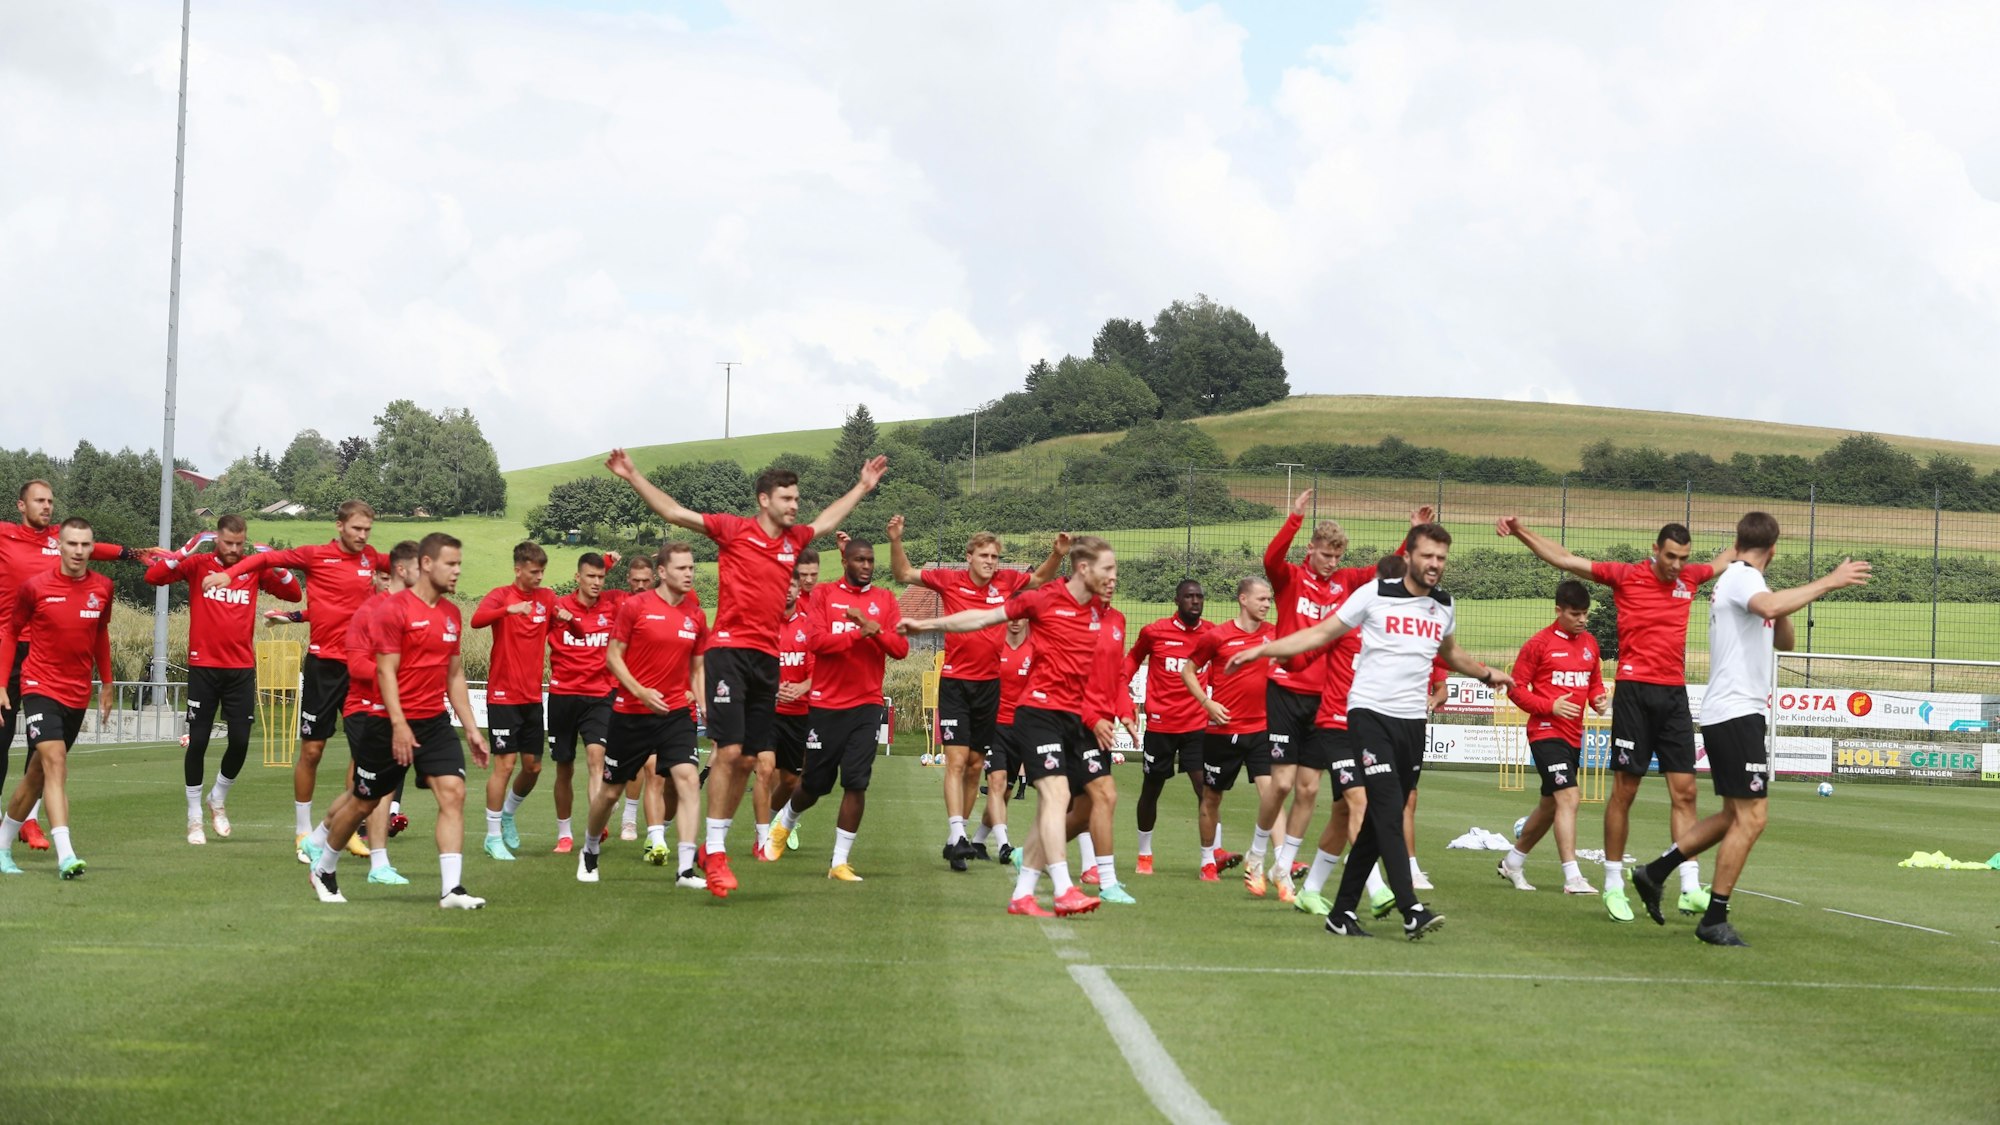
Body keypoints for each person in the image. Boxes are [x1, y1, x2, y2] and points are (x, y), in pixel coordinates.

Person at [607, 448, 885, 897]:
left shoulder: (795, 540)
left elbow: (829, 520)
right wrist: (633, 475)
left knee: (752, 759)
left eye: (797, 499)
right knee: (730, 749)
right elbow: (674, 512)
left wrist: (862, 487)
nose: (795, 505)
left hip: (766, 658)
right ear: (763, 500)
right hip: (729, 653)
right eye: (787, 498)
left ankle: (711, 848)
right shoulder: (733, 530)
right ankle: (715, 852)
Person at [1229, 523, 1514, 940]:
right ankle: (1410, 907)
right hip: (1368, 718)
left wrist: (1488, 673)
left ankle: (1340, 913)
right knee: (1384, 811)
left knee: (1379, 820)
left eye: (1441, 558)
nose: (1435, 564)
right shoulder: (1373, 594)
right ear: (1410, 557)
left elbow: (1450, 653)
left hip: (1412, 725)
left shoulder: (1444, 605)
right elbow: (1319, 634)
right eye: (1428, 556)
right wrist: (1262, 649)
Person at [1630, 514, 1868, 945]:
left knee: (1731, 816)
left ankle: (1654, 872)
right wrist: (1828, 581)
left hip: (1737, 712)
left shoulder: (1750, 582)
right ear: (1773, 550)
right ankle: (1713, 918)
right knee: (1754, 818)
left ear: (1737, 541)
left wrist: (1781, 601)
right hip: (1736, 712)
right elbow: (1769, 609)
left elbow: (1784, 641)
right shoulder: (1741, 578)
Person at [1495, 515, 1734, 923]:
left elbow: (1730, 557)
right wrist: (1520, 531)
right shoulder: (1626, 576)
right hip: (1635, 693)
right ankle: (1612, 883)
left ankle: (1689, 886)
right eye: (1671, 556)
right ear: (1656, 550)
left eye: (1684, 558)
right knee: (1625, 790)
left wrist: (1754, 535)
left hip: (1674, 694)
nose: (1677, 565)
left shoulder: (1690, 579)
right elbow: (1567, 560)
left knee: (1687, 792)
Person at [902, 536, 1115, 918]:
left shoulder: (1102, 610)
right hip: (1038, 713)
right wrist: (926, 624)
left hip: (1074, 717)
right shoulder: (1044, 599)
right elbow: (981, 617)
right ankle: (1065, 887)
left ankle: (1023, 893)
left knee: (1078, 804)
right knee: (1056, 795)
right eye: (1108, 569)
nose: (1114, 577)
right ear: (1085, 570)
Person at [307, 533, 490, 908]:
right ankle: (324, 868)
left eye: (459, 563)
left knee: (453, 793)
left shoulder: (452, 614)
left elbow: (453, 675)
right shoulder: (393, 610)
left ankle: (451, 890)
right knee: (362, 802)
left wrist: (471, 728)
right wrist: (399, 724)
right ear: (425, 564)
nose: (457, 571)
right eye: (450, 564)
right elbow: (385, 672)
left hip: (434, 721)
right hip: (385, 722)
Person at [1261, 493, 1428, 890]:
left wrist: (1413, 533)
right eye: (1326, 556)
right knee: (1283, 784)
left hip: (1326, 702)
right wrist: (1295, 518)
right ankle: (1257, 850)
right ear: (1311, 550)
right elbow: (1271, 560)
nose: (1333, 564)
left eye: (1338, 557)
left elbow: (1386, 570)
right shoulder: (1291, 578)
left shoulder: (1347, 581)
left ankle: (1285, 868)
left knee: (1312, 790)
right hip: (1286, 686)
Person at [209, 500, 388, 862]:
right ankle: (302, 832)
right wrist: (231, 575)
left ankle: (348, 829)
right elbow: (264, 560)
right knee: (312, 751)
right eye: (356, 528)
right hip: (324, 667)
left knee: (363, 753)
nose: (362, 536)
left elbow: (407, 566)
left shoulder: (372, 559)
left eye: (367, 530)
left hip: (362, 668)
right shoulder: (314, 556)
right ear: (339, 526)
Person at [885, 518, 1063, 871]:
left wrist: (1057, 554)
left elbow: (1040, 579)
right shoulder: (949, 580)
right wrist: (896, 539)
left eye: (995, 556)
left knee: (975, 766)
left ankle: (959, 839)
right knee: (955, 760)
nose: (990, 562)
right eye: (984, 555)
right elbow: (903, 573)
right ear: (968, 556)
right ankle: (956, 835)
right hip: (955, 683)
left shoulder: (1008, 582)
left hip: (989, 685)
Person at [1, 479, 156, 852]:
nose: (47, 506)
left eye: (51, 501)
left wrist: (132, 554)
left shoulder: (61, 539)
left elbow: (93, 549)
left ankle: (29, 822)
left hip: (47, 654)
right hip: (9, 650)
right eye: (39, 501)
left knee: (44, 753)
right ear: (21, 506)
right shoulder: (4, 536)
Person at [144, 514, 302, 844]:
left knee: (241, 741)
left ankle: (217, 798)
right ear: (217, 538)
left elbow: (293, 594)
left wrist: (274, 559)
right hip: (204, 667)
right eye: (227, 542)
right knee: (198, 741)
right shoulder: (199, 564)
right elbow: (154, 576)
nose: (233, 549)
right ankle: (194, 819)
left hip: (240, 669)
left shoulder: (253, 569)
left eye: (239, 544)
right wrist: (186, 549)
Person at [768, 539, 907, 881]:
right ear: (845, 560)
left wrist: (876, 632)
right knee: (814, 784)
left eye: (871, 560)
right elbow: (816, 641)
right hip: (826, 705)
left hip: (867, 703)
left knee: (857, 782)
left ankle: (839, 862)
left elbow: (901, 649)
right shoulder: (824, 595)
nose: (867, 566)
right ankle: (785, 821)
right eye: (860, 559)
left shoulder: (885, 599)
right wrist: (859, 634)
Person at [578, 543, 708, 887]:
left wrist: (704, 701)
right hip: (631, 714)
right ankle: (589, 850)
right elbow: (613, 658)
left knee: (687, 780)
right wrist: (640, 691)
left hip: (677, 714)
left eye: (691, 568)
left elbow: (697, 667)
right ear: (662, 572)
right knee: (610, 792)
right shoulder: (636, 607)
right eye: (681, 568)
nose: (689, 573)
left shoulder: (696, 615)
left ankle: (684, 870)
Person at [299, 540, 421, 887]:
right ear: (400, 570)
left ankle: (319, 838)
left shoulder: (412, 609)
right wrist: (396, 671)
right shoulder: (371, 610)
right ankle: (375, 863)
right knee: (374, 789)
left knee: (367, 790)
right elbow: (359, 664)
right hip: (365, 708)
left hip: (391, 709)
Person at [0, 518, 115, 878]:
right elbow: (10, 631)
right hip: (39, 685)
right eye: (72, 544)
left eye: (85, 545)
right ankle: (66, 854)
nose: (78, 551)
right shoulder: (35, 588)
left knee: (36, 775)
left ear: (92, 548)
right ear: (60, 547)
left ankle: (1, 845)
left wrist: (107, 683)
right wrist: (2, 682)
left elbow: (100, 635)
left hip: (78, 692)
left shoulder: (103, 588)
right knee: (56, 760)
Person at [1495, 580, 1609, 895]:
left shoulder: (1590, 644)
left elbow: (1595, 682)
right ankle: (1573, 878)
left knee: (1550, 806)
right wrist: (1549, 706)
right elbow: (1516, 689)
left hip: (1574, 737)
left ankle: (1513, 862)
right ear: (1558, 610)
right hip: (1545, 733)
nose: (1582, 620)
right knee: (1570, 797)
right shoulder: (1539, 644)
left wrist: (1598, 699)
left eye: (1585, 613)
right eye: (1575, 614)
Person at [470, 542, 565, 861]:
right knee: (505, 764)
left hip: (532, 697)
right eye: (534, 571)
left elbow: (565, 624)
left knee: (534, 767)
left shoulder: (548, 598)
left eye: (542, 571)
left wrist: (567, 618)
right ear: (518, 569)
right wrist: (506, 611)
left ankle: (508, 814)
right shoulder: (501, 595)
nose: (539, 577)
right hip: (502, 695)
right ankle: (493, 836)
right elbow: (477, 620)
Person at [1180, 578, 1276, 889]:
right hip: (1223, 732)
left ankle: (1275, 859)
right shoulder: (1217, 636)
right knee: (1211, 797)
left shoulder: (1274, 634)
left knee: (1272, 793)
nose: (1266, 604)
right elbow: (1188, 670)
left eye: (1270, 599)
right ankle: (1208, 860)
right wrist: (1207, 703)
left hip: (1262, 729)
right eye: (1261, 599)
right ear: (1243, 599)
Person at [1126, 580, 1214, 878]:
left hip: (1197, 726)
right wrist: (1121, 689)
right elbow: (1132, 659)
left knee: (1206, 789)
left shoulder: (1211, 634)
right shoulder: (1154, 632)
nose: (1195, 601)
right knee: (1151, 790)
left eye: (1199, 597)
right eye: (1189, 596)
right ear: (1177, 599)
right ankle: (1144, 854)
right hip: (1161, 726)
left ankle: (1209, 859)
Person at [547, 553, 617, 853]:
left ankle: (594, 826)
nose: (596, 583)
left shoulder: (612, 608)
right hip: (563, 696)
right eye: (590, 577)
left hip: (599, 696)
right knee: (564, 768)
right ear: (578, 577)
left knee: (596, 760)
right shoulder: (558, 607)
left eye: (601, 577)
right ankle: (564, 834)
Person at [753, 552, 818, 861]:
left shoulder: (809, 626)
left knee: (792, 780)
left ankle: (779, 821)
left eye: (793, 585)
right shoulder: (762, 625)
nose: (789, 590)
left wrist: (802, 688)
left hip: (800, 714)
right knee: (764, 770)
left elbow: (817, 670)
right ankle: (761, 837)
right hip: (766, 712)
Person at [1074, 592, 1136, 903]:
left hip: (1100, 727)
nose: (1110, 583)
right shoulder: (1070, 616)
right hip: (1071, 723)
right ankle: (1105, 879)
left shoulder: (1118, 620)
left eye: (1114, 576)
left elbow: (1116, 678)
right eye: (1104, 574)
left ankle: (1031, 855)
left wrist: (1123, 711)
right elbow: (1066, 678)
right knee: (1103, 795)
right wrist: (1090, 717)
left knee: (1082, 810)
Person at [969, 618, 1032, 864]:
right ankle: (1005, 846)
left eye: (1021, 617)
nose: (1015, 622)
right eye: (1011, 617)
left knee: (1004, 793)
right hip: (993, 727)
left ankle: (977, 841)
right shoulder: (994, 648)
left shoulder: (1034, 650)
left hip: (1021, 731)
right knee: (996, 783)